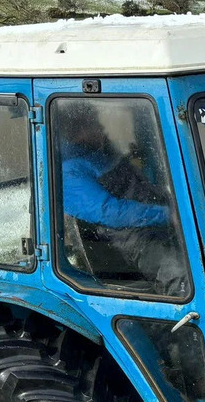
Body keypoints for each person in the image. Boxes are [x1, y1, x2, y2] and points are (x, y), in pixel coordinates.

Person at [56, 101, 190, 296]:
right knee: (179, 274)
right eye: (93, 124)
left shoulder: (100, 151)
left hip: (158, 217)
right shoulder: (69, 169)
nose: (101, 127)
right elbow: (110, 212)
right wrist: (168, 215)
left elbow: (144, 184)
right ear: (76, 131)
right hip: (131, 236)